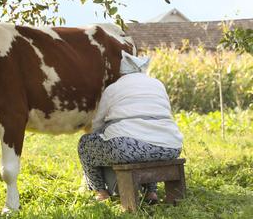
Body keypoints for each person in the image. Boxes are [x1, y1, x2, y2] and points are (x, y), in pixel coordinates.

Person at [78, 51, 183, 202]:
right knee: (147, 144)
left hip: (128, 149)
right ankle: (150, 193)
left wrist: (101, 135)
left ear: (123, 71)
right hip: (171, 147)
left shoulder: (113, 89)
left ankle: (101, 193)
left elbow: (98, 123)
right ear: (141, 70)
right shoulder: (158, 84)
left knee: (85, 144)